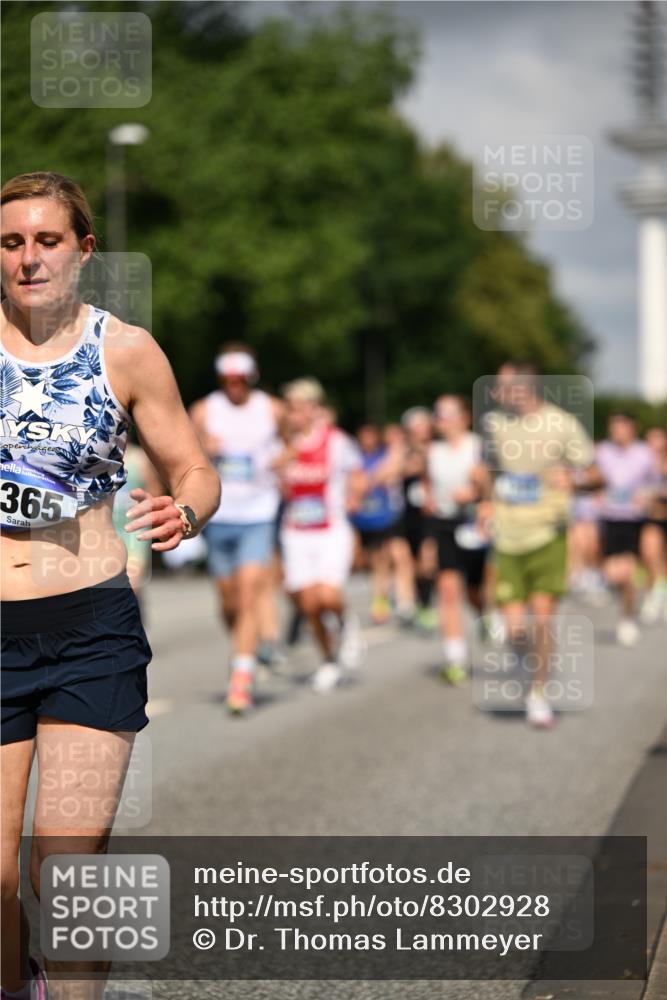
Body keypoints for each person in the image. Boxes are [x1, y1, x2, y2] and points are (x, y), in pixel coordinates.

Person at [0, 172, 220, 1000]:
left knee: (66, 865)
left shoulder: (123, 349)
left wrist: (186, 512)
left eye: (46, 240)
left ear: (83, 249)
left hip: (91, 626)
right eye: (12, 242)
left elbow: (194, 466)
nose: (28, 258)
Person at [480, 361, 595, 728]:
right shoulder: (495, 424)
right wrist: (484, 501)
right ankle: (526, 663)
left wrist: (575, 482)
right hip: (508, 536)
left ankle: (539, 694)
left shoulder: (561, 423)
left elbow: (593, 470)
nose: (496, 392)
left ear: (524, 387)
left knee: (542, 619)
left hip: (548, 532)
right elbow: (487, 468)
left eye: (503, 385)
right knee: (515, 630)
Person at [189, 344, 283, 714]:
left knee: (248, 596)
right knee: (227, 601)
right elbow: (180, 454)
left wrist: (282, 461)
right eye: (228, 380)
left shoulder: (271, 408)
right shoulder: (203, 410)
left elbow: (293, 444)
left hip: (259, 512)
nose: (234, 386)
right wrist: (201, 446)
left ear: (251, 377)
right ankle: (250, 646)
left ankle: (241, 678)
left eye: (240, 380)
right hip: (218, 514)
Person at [277, 378, 366, 693]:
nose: (292, 414)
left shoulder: (337, 441)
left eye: (298, 408)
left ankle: (346, 623)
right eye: (289, 408)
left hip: (331, 530)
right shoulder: (285, 447)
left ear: (314, 409)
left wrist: (355, 495)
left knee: (328, 595)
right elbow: (279, 487)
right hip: (296, 533)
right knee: (311, 605)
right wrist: (281, 466)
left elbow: (358, 475)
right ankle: (329, 660)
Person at [424, 395, 488, 686]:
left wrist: (477, 490)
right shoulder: (433, 451)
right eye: (439, 413)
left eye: (449, 413)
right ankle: (455, 659)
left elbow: (493, 487)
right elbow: (426, 487)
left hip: (475, 525)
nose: (443, 419)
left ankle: (484, 614)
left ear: (464, 417)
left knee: (474, 592)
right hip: (444, 524)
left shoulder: (479, 447)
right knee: (448, 591)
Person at [596, 413, 660, 645]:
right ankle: (625, 601)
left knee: (629, 571)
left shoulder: (644, 453)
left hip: (635, 520)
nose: (617, 431)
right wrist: (595, 492)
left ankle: (628, 619)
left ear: (632, 428)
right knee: (614, 573)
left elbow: (656, 483)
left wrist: (647, 496)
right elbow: (591, 478)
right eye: (613, 427)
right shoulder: (602, 451)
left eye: (621, 427)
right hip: (609, 518)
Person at [350, 424, 405, 624]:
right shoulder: (353, 457)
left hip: (383, 517)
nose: (367, 440)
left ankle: (384, 600)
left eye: (371, 435)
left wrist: (367, 481)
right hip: (359, 519)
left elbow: (390, 471)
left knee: (386, 558)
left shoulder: (384, 455)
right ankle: (382, 597)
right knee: (364, 561)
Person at [397, 407, 437, 629]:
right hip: (406, 514)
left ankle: (426, 602)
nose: (420, 430)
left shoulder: (437, 448)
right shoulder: (401, 449)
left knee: (427, 561)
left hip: (429, 515)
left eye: (423, 425)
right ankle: (407, 604)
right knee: (404, 560)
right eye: (415, 426)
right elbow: (392, 471)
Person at [640, 426, 667, 624]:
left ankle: (660, 595)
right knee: (650, 556)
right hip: (651, 518)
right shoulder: (640, 463)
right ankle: (653, 596)